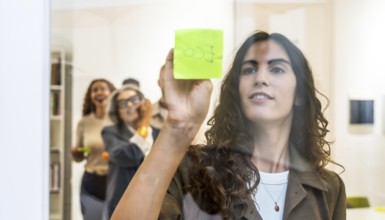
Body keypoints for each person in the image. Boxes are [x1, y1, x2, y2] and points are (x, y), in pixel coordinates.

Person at [111, 31, 346, 220]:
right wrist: (177, 127)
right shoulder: (195, 171)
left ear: (299, 96)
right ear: (237, 91)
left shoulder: (327, 188)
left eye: (276, 69)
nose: (260, 78)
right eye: (250, 69)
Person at [101, 85, 160, 219]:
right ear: (117, 111)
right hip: (122, 206)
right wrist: (144, 124)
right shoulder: (111, 133)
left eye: (134, 100)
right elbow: (127, 155)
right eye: (122, 103)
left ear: (144, 104)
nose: (129, 105)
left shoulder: (159, 134)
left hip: (155, 204)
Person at [71, 79, 116, 220]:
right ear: (90, 96)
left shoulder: (119, 120)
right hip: (91, 182)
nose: (99, 92)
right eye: (95, 90)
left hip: (116, 181)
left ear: (111, 93)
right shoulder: (84, 122)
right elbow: (78, 157)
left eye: (103, 89)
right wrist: (76, 153)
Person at [151, 64, 168, 129]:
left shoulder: (194, 113)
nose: (170, 85)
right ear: (159, 82)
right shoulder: (146, 114)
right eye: (165, 80)